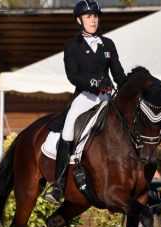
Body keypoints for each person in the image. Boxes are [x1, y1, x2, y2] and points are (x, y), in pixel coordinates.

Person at [44, 0, 127, 203]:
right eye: (89, 16)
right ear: (79, 20)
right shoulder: (72, 46)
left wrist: (128, 86)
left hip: (107, 98)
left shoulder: (108, 44)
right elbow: (72, 75)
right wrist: (92, 82)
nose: (93, 20)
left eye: (96, 16)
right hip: (85, 97)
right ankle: (58, 183)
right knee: (69, 129)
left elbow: (118, 73)